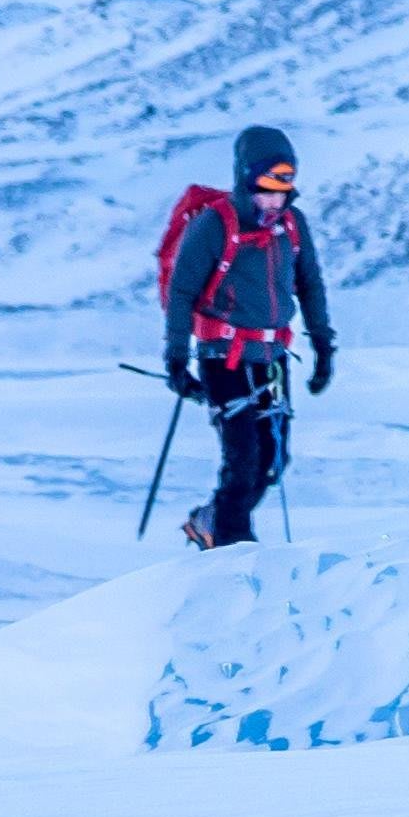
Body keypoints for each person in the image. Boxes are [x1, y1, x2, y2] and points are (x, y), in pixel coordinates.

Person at [162, 123, 337, 549]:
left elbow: (310, 284)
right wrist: (176, 359)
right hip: (224, 358)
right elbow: (181, 292)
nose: (274, 203)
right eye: (265, 191)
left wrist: (323, 346)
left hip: (272, 357)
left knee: (272, 463)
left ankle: (211, 521)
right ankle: (234, 555)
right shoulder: (212, 225)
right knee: (242, 461)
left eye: (282, 193)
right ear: (244, 180)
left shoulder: (292, 226)